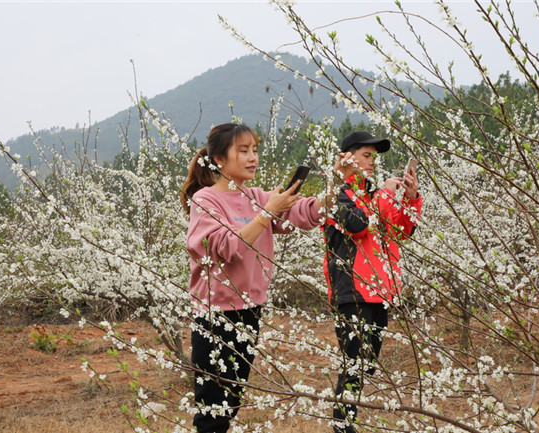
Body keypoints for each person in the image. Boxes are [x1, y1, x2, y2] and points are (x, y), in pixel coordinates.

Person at [181, 123, 325, 433]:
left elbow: (301, 212)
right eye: (243, 151)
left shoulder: (257, 196)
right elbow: (223, 247)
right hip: (215, 316)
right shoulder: (206, 201)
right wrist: (266, 213)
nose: (252, 158)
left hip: (250, 310)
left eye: (255, 151)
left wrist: (336, 194)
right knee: (211, 412)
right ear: (220, 159)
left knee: (231, 404)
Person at [323, 130, 423, 433]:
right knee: (353, 364)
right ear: (347, 158)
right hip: (351, 292)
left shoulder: (372, 194)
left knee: (365, 365)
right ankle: (343, 426)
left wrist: (410, 196)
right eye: (366, 156)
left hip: (381, 292)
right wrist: (381, 196)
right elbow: (357, 225)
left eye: (373, 158)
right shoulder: (335, 196)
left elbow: (403, 231)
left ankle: (346, 422)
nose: (372, 163)